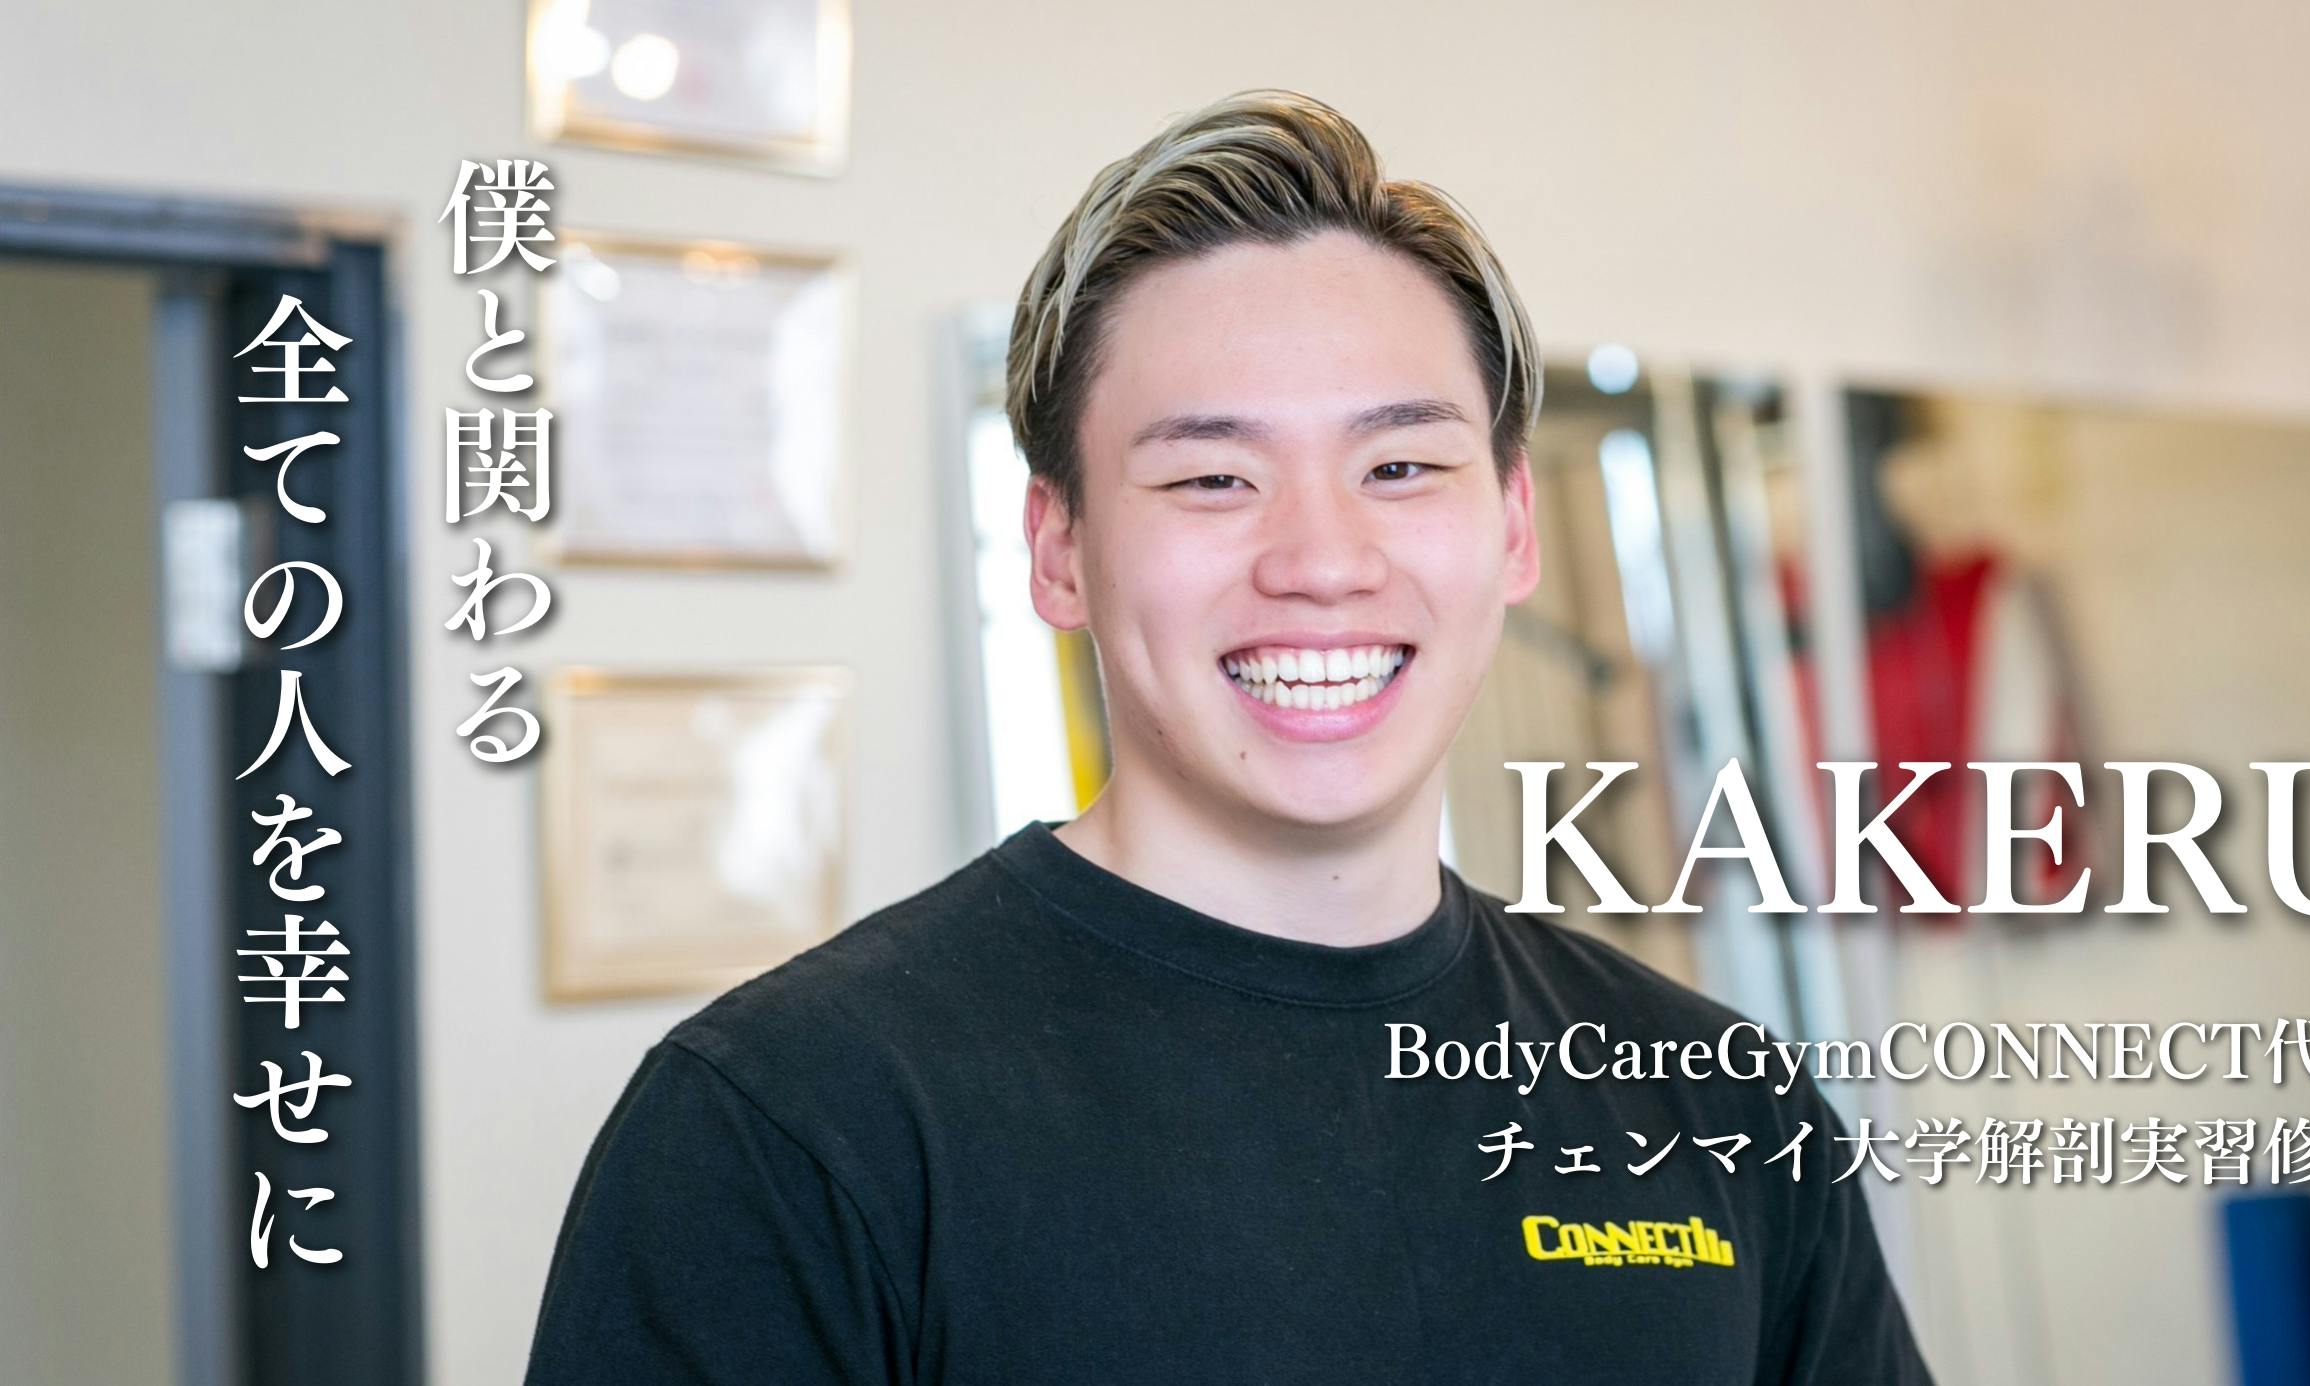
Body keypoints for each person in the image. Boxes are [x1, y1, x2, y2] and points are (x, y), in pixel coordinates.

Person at [524, 88, 1934, 1385]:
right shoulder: (788, 1130)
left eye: (1400, 465)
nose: (1322, 561)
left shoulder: (1720, 1110)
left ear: (1512, 526)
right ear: (1059, 550)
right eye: (1213, 477)